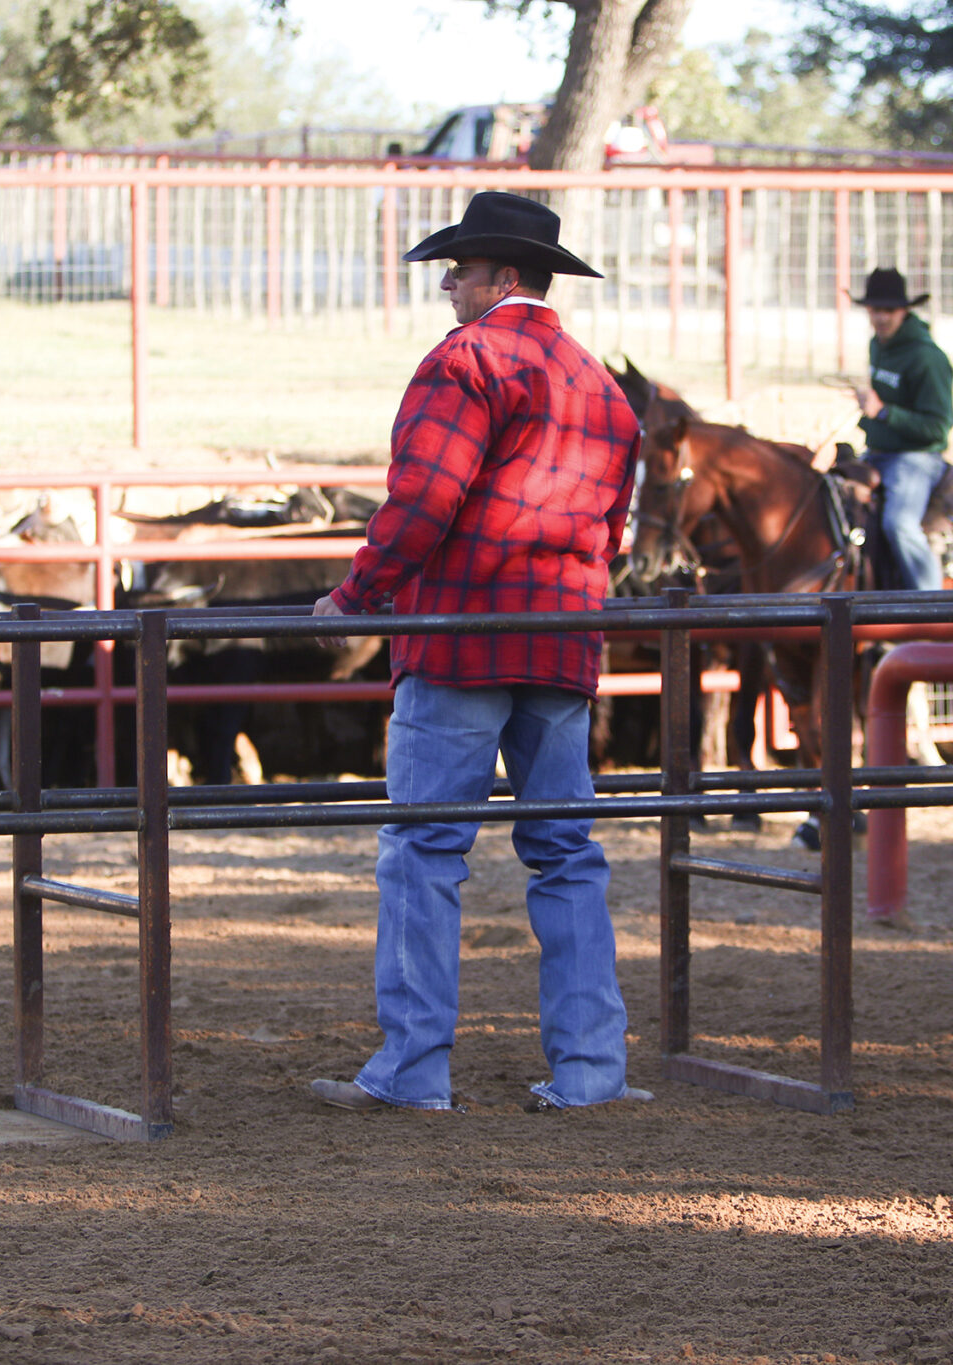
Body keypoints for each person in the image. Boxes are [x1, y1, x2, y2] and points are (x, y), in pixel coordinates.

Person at [307, 191, 649, 1114]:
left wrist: (357, 593)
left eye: (458, 269)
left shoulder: (468, 360)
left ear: (503, 277)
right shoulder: (601, 387)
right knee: (567, 851)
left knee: (425, 845)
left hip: (462, 636)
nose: (448, 283)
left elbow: (423, 500)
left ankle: (414, 1069)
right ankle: (590, 1070)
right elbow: (613, 526)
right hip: (563, 636)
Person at [851, 267, 953, 593]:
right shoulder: (877, 346)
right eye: (874, 310)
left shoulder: (927, 358)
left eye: (888, 311)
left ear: (905, 310)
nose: (881, 318)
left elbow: (938, 427)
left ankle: (931, 606)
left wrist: (883, 412)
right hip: (878, 453)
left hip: (917, 459)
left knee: (900, 524)